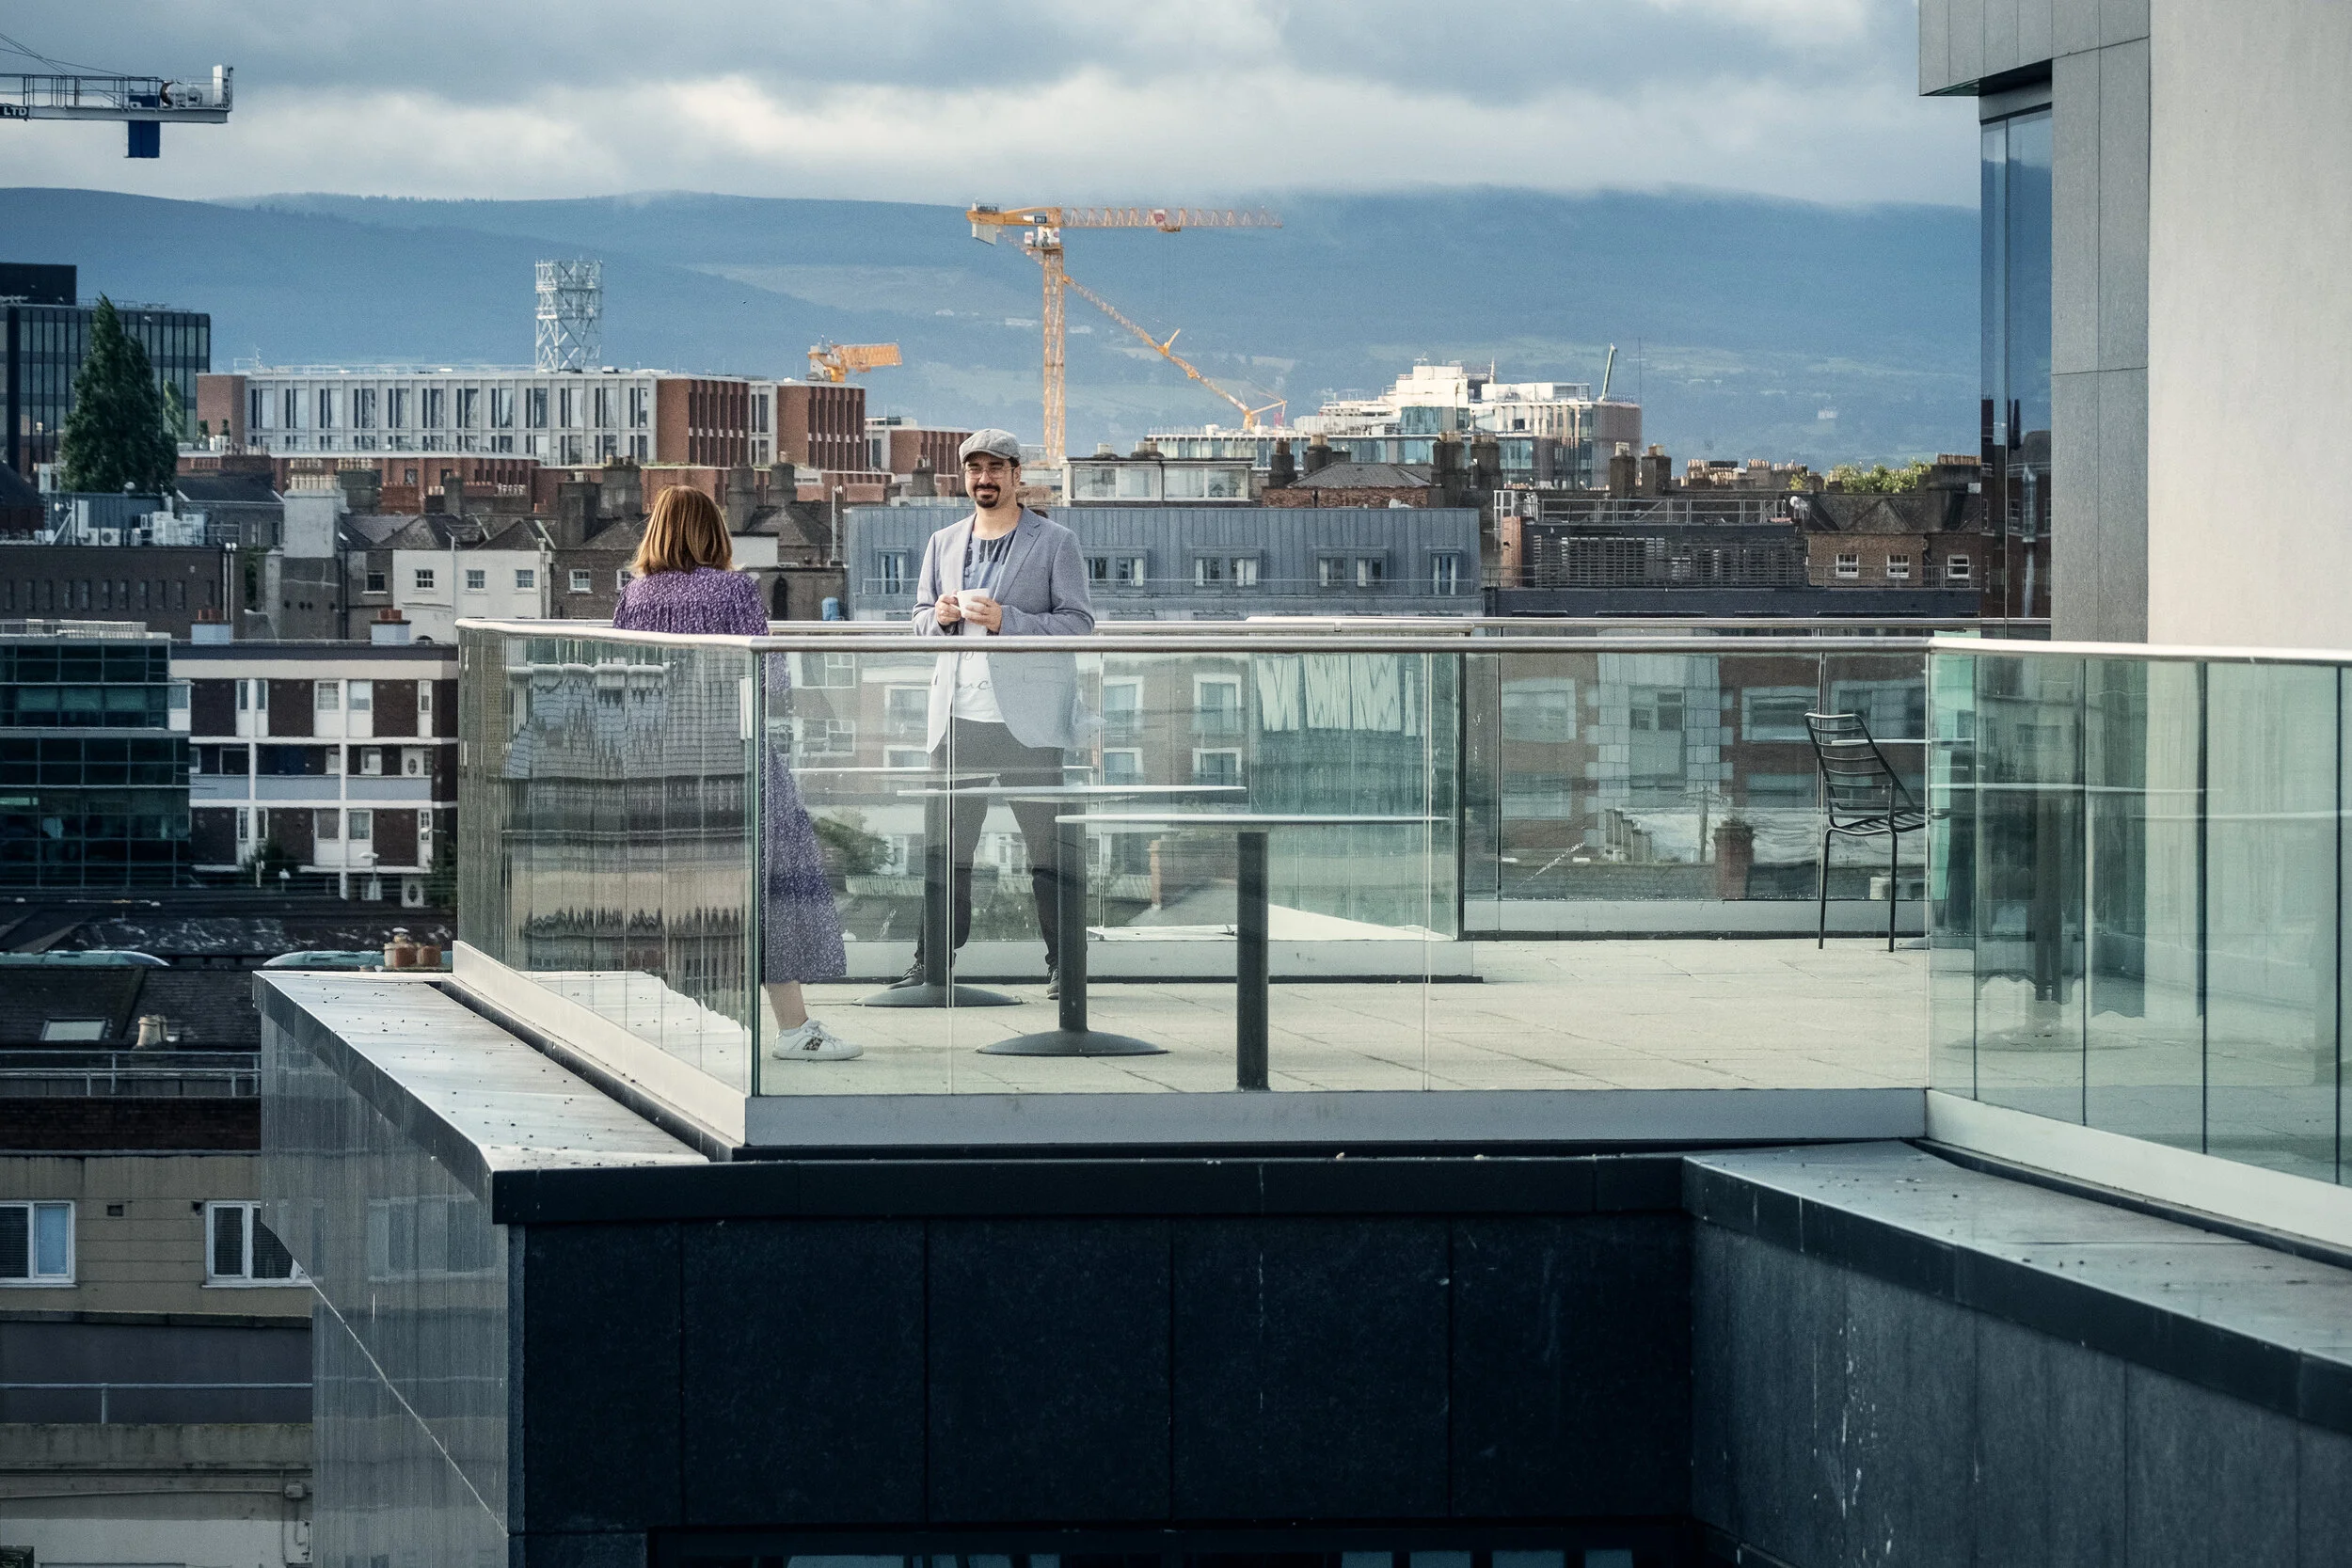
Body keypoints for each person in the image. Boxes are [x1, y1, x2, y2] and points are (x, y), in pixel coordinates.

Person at [612, 486, 857, 1061]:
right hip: (733, 759)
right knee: (771, 891)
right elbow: (771, 681)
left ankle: (675, 1025)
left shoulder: (634, 595)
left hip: (655, 769)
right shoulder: (733, 589)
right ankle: (794, 1029)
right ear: (714, 533)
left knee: (673, 893)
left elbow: (621, 686)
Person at [905, 429, 1096, 994]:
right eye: (974, 469)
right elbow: (918, 622)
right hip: (956, 721)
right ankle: (932, 965)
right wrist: (939, 617)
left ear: (1017, 475)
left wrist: (1006, 620)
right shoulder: (942, 542)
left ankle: (1067, 966)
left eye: (995, 469)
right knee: (944, 853)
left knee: (1049, 853)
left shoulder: (1056, 542)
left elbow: (1079, 625)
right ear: (964, 476)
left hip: (1030, 726)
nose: (984, 479)